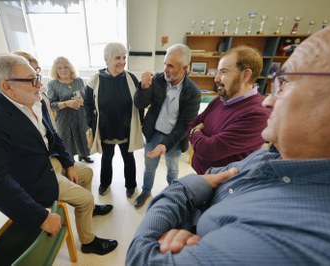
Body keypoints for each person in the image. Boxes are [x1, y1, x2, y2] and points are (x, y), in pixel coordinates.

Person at [126, 22, 330, 265]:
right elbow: (212, 165)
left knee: (174, 174)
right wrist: (193, 225)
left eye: (285, 82)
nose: (267, 102)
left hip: (179, 158)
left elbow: (142, 258)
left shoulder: (301, 237)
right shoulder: (273, 155)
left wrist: (179, 195)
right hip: (177, 155)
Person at [0, 53, 118, 255]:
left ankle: (89, 210)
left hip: (48, 161)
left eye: (38, 77)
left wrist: (68, 164)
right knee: (84, 198)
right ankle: (88, 242)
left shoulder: (37, 102)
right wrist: (40, 216)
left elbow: (54, 137)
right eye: (32, 80)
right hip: (32, 177)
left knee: (86, 173)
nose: (39, 86)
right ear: (7, 86)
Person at [133, 43, 201, 208]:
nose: (165, 69)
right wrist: (143, 87)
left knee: (172, 169)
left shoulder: (193, 92)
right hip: (153, 133)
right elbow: (140, 104)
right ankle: (146, 191)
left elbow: (185, 124)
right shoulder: (157, 80)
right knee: (149, 167)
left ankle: (173, 195)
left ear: (184, 68)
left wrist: (165, 145)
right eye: (165, 63)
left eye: (170, 66)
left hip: (175, 138)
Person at [187, 46, 270, 174]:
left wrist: (196, 131)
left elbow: (208, 150)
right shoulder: (220, 99)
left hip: (222, 187)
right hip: (201, 175)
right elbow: (191, 124)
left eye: (223, 72)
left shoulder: (258, 115)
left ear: (245, 75)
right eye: (218, 72)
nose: (216, 79)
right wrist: (197, 133)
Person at [84, 42, 144, 198]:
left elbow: (140, 104)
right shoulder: (95, 80)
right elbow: (87, 105)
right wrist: (92, 124)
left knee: (128, 158)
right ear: (107, 60)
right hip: (106, 128)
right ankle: (104, 183)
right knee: (106, 158)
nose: (122, 62)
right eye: (118, 58)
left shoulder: (131, 78)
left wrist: (141, 124)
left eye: (124, 58)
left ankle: (131, 185)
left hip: (126, 128)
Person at [48, 56, 93, 163]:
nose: (63, 70)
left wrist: (84, 102)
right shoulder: (53, 84)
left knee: (83, 137)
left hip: (81, 116)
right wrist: (67, 103)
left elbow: (86, 97)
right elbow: (51, 104)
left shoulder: (79, 81)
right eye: (59, 68)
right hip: (64, 118)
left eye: (66, 67)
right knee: (67, 140)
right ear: (56, 70)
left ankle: (84, 155)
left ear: (70, 68)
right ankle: (70, 161)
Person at [11, 50, 57, 129]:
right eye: (31, 72)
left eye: (36, 71)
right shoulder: (17, 101)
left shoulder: (40, 90)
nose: (40, 83)